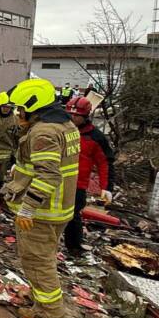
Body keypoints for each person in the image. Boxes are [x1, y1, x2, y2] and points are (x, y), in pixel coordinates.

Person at [1, 79, 80, 318]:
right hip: (60, 208)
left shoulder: (43, 132)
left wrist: (27, 209)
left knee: (37, 260)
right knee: (44, 256)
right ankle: (41, 295)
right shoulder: (65, 126)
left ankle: (48, 310)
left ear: (33, 107)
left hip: (42, 212)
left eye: (21, 108)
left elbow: (49, 174)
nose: (17, 113)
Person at [63, 97, 115, 256]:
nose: (73, 118)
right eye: (70, 115)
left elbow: (105, 163)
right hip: (57, 179)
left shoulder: (95, 137)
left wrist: (106, 187)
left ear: (85, 116)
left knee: (73, 216)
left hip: (78, 184)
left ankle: (74, 247)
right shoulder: (60, 130)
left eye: (76, 116)